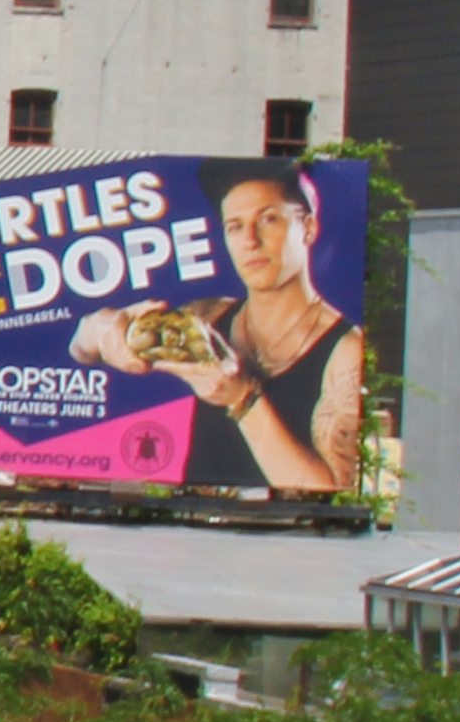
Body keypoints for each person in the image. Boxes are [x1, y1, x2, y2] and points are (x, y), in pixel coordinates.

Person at [74, 166, 365, 495]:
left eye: (269, 219)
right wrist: (103, 329)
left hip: (287, 536)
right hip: (193, 526)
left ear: (308, 228)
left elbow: (331, 491)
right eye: (235, 227)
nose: (251, 241)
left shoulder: (346, 348)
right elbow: (81, 347)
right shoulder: (208, 316)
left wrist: (243, 399)